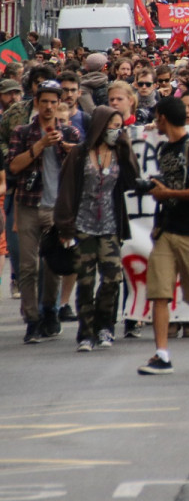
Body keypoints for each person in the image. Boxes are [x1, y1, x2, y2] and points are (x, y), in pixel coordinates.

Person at [137, 96, 189, 375]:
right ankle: (162, 354)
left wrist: (169, 193)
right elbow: (169, 187)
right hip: (167, 231)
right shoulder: (165, 150)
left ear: (162, 118)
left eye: (156, 117)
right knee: (159, 293)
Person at [54, 107, 140, 352]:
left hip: (110, 225)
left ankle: (105, 325)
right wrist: (65, 226)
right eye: (112, 125)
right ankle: (86, 332)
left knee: (112, 278)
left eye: (119, 126)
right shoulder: (80, 154)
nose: (115, 130)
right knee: (86, 280)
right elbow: (67, 188)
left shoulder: (118, 153)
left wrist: (126, 147)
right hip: (83, 225)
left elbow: (133, 179)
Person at [8, 80, 82, 342]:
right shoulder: (22, 132)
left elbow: (81, 169)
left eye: (54, 102)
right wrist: (39, 146)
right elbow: (14, 167)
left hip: (56, 208)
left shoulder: (70, 133)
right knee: (28, 266)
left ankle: (49, 309)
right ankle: (32, 319)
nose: (49, 107)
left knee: (51, 264)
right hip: (28, 205)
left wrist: (67, 149)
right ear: (37, 103)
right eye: (45, 102)